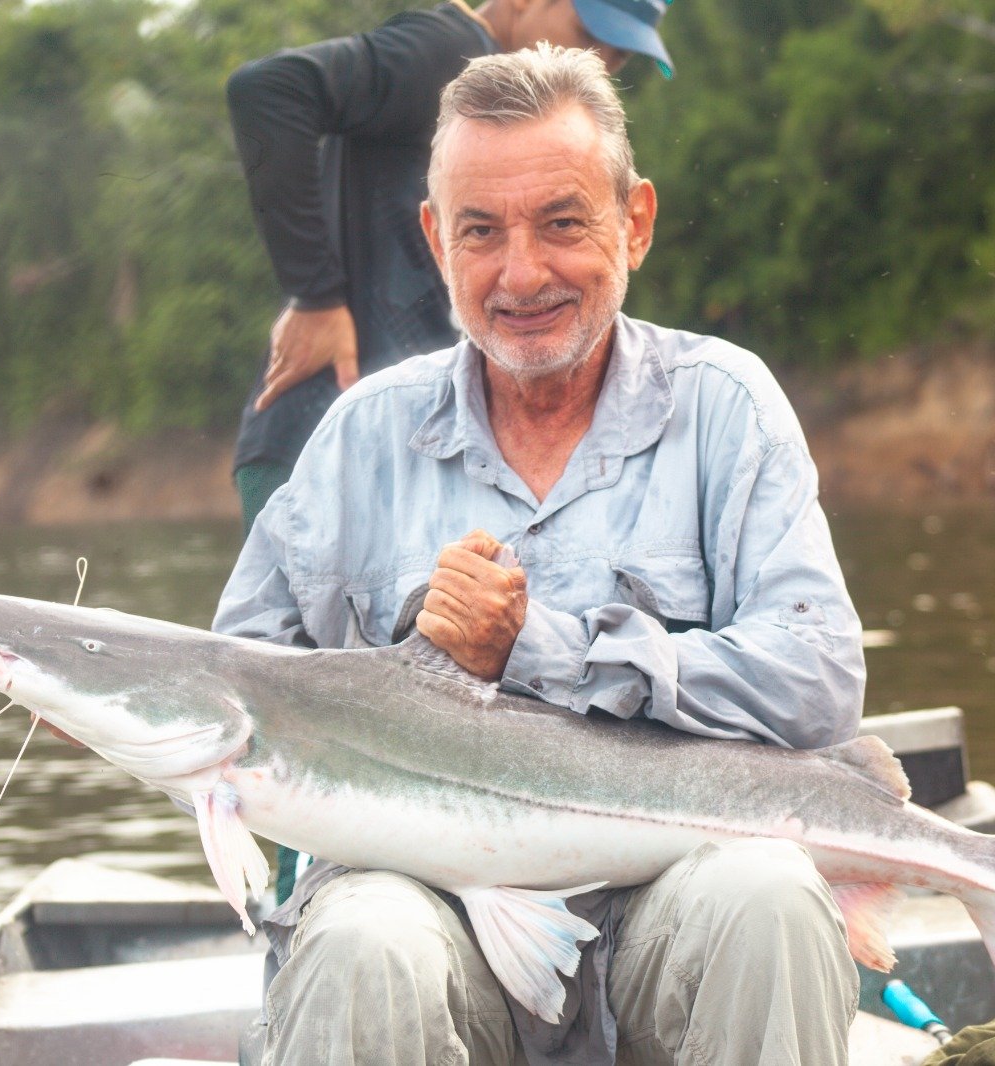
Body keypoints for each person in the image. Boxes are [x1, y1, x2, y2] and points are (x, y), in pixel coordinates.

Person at [214, 45, 866, 1066]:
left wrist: (542, 648)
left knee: (770, 893)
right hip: (432, 922)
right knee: (361, 937)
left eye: (562, 222)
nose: (521, 274)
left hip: (666, 904)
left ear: (634, 222)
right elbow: (240, 688)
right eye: (481, 231)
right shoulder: (359, 434)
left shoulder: (726, 408)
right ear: (436, 242)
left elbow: (818, 677)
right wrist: (406, 663)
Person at [226, 0, 675, 534]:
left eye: (618, 55)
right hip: (315, 437)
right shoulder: (444, 50)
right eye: (590, 34)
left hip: (411, 448)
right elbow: (270, 88)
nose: (596, 61)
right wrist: (314, 297)